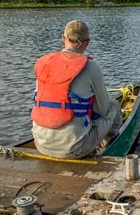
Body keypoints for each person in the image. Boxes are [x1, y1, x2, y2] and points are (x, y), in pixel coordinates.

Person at [31, 20, 122, 159]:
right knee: (114, 105)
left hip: (40, 144)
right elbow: (102, 110)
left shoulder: (43, 63)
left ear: (63, 38)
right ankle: (109, 146)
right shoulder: (91, 66)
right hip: (75, 149)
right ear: (87, 42)